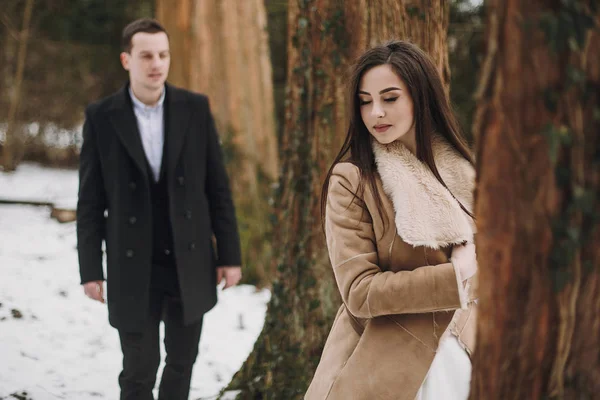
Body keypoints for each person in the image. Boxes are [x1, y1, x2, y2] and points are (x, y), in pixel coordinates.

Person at [76, 18, 242, 400]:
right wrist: (90, 269)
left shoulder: (195, 109)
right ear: (126, 60)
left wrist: (230, 256)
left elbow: (218, 189)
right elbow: (90, 202)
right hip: (132, 265)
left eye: (163, 55)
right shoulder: (101, 117)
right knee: (138, 370)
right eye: (146, 55)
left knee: (182, 364)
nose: (156, 64)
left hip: (191, 259)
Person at [305, 40, 479, 400]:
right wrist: (454, 275)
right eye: (365, 101)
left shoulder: (465, 175)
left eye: (390, 98)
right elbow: (359, 292)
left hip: (463, 356)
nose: (376, 113)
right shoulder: (352, 180)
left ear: (421, 96)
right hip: (385, 365)